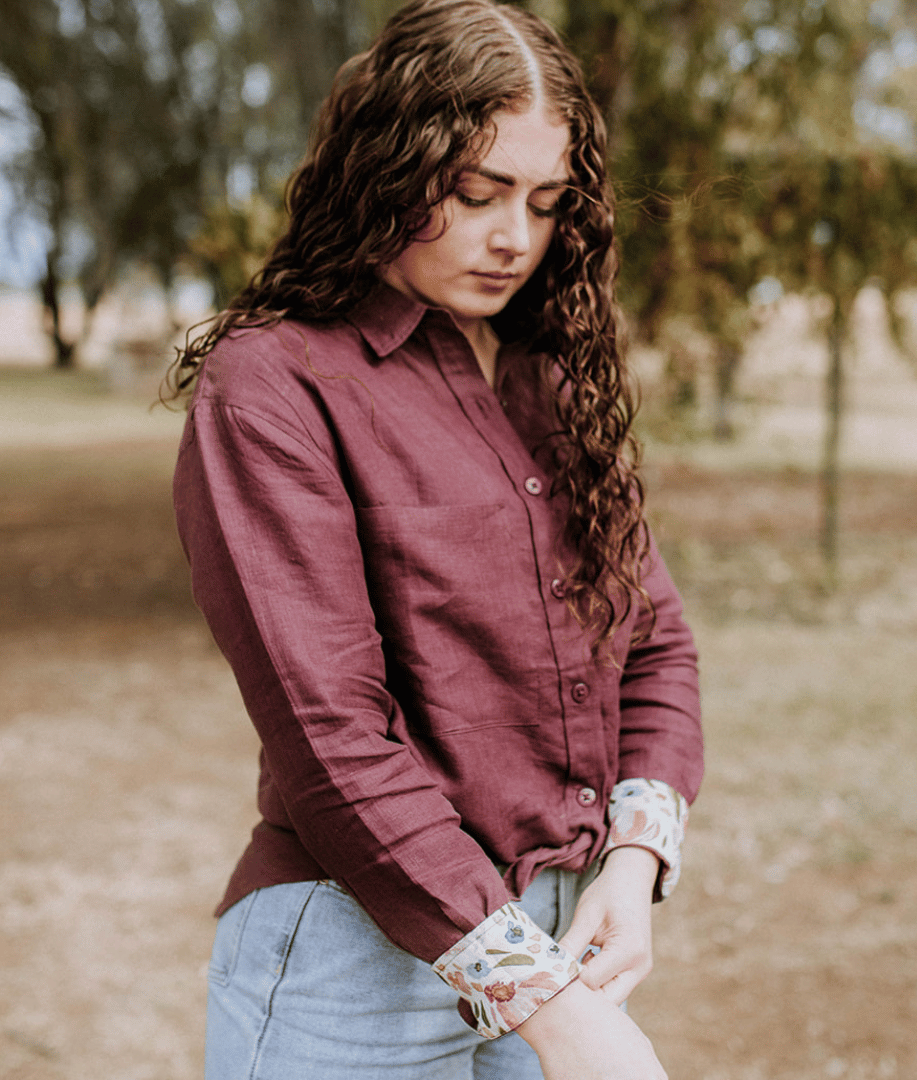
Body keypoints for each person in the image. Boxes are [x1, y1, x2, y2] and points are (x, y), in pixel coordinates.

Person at [169, 1, 703, 1077]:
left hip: (560, 936)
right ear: (388, 171)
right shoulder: (274, 386)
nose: (515, 237)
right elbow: (330, 734)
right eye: (476, 193)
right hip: (353, 962)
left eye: (547, 204)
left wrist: (636, 862)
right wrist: (540, 1001)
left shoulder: (550, 381)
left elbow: (654, 648)